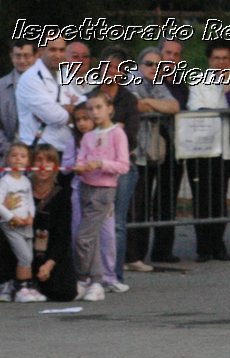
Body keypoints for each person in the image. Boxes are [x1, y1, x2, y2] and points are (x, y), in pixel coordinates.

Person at [186, 41, 230, 263]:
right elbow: (195, 108)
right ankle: (203, 247)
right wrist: (222, 111)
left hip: (226, 149)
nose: (221, 63)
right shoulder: (199, 81)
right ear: (209, 60)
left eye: (225, 58)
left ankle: (218, 245)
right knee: (202, 199)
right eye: (216, 58)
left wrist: (228, 89)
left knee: (220, 199)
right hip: (201, 148)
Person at [126, 47, 180, 268]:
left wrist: (148, 103)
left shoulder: (157, 83)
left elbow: (174, 106)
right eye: (149, 64)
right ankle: (130, 256)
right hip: (132, 153)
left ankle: (139, 255)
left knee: (144, 206)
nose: (153, 68)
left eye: (158, 65)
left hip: (148, 155)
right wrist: (151, 105)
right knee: (134, 206)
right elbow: (134, 104)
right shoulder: (131, 80)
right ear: (139, 64)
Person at [0, 144, 74, 300]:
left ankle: (32, 283)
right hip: (19, 240)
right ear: (31, 164)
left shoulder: (62, 194)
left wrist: (49, 264)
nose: (43, 165)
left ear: (55, 166)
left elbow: (63, 234)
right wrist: (8, 210)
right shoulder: (16, 187)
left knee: (64, 292)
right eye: (38, 160)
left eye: (49, 161)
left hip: (47, 250)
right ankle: (11, 282)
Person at [72, 93, 127, 301]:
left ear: (109, 108)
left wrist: (101, 164)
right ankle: (96, 281)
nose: (94, 112)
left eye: (98, 107)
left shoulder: (117, 134)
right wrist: (80, 167)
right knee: (91, 237)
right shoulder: (88, 136)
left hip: (104, 191)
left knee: (82, 238)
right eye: (91, 109)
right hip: (85, 187)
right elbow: (81, 159)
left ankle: (83, 277)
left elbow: (123, 165)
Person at [94, 48, 139, 285]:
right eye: (107, 66)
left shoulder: (129, 100)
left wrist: (105, 135)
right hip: (95, 170)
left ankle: (115, 275)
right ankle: (95, 274)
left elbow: (130, 136)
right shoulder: (91, 96)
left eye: (117, 68)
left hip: (122, 169)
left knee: (117, 223)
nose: (112, 72)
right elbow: (86, 133)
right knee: (95, 221)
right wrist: (114, 130)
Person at [17, 35, 86, 170]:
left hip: (65, 151)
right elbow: (56, 117)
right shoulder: (30, 79)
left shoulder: (65, 74)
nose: (58, 55)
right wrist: (72, 113)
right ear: (41, 51)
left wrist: (65, 109)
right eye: (53, 50)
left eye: (61, 50)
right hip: (39, 152)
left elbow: (84, 105)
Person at [0, 141, 36, 300]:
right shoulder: (5, 181)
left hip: (25, 225)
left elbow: (30, 202)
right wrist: (11, 217)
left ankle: (25, 286)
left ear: (28, 161)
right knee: (25, 256)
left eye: (22, 156)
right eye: (14, 156)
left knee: (29, 255)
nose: (18, 159)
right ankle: (21, 287)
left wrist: (30, 216)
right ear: (8, 159)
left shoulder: (26, 181)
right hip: (10, 225)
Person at [1, 41, 37, 160]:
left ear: (35, 56)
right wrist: (9, 149)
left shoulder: (48, 85)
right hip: (8, 154)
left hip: (40, 154)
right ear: (11, 57)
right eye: (18, 56)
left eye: (26, 55)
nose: (22, 61)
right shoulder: (1, 87)